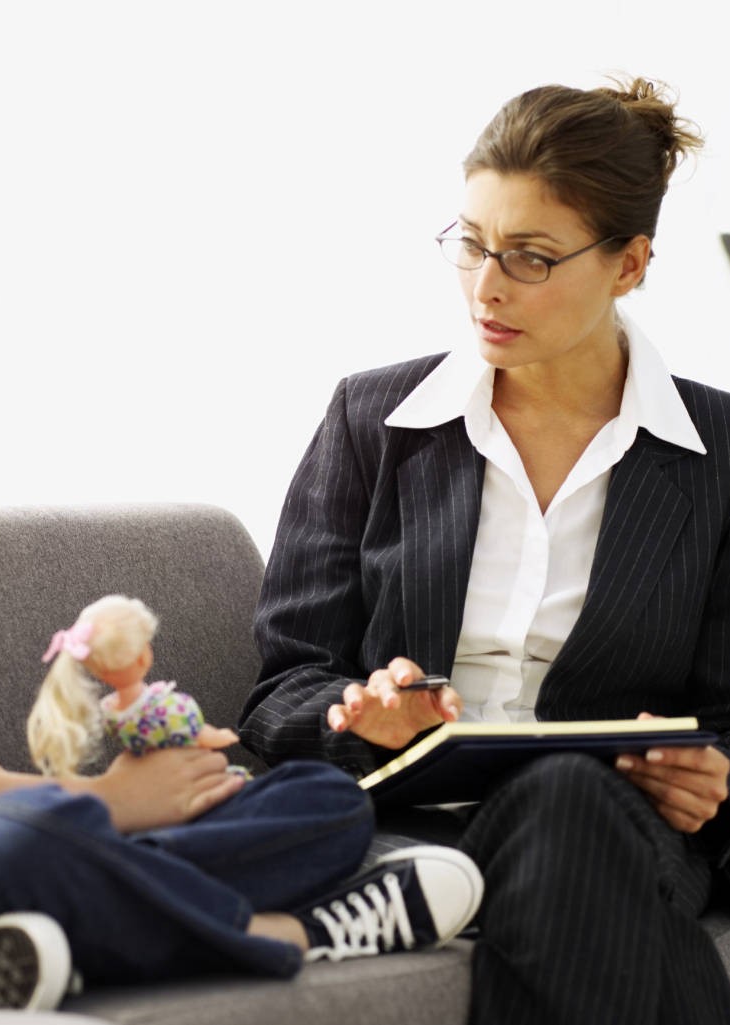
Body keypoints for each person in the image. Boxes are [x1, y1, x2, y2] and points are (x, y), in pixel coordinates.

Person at [0, 200, 483, 1010]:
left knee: (322, 801)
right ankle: (294, 932)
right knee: (33, 839)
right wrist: (104, 804)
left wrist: (129, 802)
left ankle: (35, 940)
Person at [239, 75, 730, 1024]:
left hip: (615, 827)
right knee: (570, 845)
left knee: (564, 803)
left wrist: (709, 774)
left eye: (531, 257)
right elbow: (283, 684)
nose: (485, 286)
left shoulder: (719, 457)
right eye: (469, 244)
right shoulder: (372, 420)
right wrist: (363, 718)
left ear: (629, 264)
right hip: (395, 831)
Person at [27, 594, 244, 775]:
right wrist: (223, 736)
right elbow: (198, 734)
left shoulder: (110, 713)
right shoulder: (168, 707)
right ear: (142, 657)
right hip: (195, 774)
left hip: (154, 783)